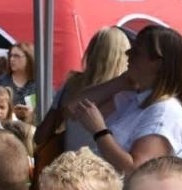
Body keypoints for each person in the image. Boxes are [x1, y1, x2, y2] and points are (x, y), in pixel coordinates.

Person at [65, 25, 182, 169]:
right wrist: (121, 82)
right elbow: (74, 107)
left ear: (158, 64)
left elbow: (137, 170)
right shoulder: (133, 99)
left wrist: (100, 131)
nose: (128, 53)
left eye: (137, 52)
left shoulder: (165, 113)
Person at [32, 27, 130, 157]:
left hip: (71, 168)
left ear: (91, 52)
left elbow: (40, 136)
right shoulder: (128, 94)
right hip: (108, 171)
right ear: (125, 56)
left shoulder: (71, 86)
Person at [0, 41, 38, 121]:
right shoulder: (1, 82)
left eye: (16, 56)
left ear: (29, 58)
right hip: (7, 129)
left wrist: (32, 113)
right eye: (10, 55)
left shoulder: (40, 84)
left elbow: (49, 108)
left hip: (32, 129)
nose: (12, 59)